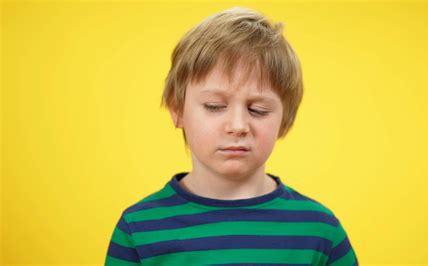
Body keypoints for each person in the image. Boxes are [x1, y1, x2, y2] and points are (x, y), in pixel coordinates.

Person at [105, 6, 358, 266]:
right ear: (177, 109)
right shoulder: (137, 229)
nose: (238, 126)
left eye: (258, 110)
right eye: (215, 106)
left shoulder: (321, 231)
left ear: (285, 120)